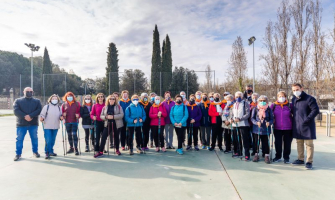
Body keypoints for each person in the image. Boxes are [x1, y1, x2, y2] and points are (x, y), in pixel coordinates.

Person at [291, 83, 319, 169]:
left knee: (309, 144)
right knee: (299, 142)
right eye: (294, 90)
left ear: (302, 89)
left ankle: (309, 161)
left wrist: (307, 119)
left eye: (297, 89)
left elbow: (315, 110)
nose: (296, 92)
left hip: (308, 125)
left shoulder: (309, 99)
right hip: (297, 125)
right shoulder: (293, 99)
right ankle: (300, 159)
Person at [13, 87, 42, 161]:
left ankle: (35, 152)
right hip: (21, 124)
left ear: (32, 92)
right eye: (27, 91)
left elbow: (39, 110)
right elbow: (16, 110)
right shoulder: (18, 101)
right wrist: (25, 116)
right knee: (19, 139)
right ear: (23, 92)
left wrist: (30, 116)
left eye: (30, 91)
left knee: (34, 138)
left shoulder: (37, 101)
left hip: (33, 124)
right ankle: (18, 154)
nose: (29, 92)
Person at [270, 91, 293, 164]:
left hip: (288, 128)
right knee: (278, 143)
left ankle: (286, 157)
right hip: (277, 128)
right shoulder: (273, 105)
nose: (281, 98)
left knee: (287, 144)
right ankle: (278, 156)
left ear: (286, 97)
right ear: (277, 97)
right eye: (280, 96)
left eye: (283, 96)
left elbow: (295, 114)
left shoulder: (289, 105)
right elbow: (269, 114)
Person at [251, 95, 274, 164]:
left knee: (265, 143)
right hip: (257, 129)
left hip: (265, 129)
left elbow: (272, 119)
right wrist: (256, 122)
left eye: (264, 101)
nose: (262, 102)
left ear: (267, 101)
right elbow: (252, 118)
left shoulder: (269, 109)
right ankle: (256, 154)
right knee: (256, 142)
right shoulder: (255, 109)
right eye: (261, 101)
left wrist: (269, 123)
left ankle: (266, 155)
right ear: (258, 101)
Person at [40, 94, 63, 159]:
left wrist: (61, 117)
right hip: (47, 126)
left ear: (58, 100)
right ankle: (47, 152)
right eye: (53, 99)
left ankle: (51, 151)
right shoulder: (46, 107)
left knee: (53, 140)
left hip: (56, 126)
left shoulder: (59, 107)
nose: (54, 100)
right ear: (50, 100)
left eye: (56, 99)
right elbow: (42, 114)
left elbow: (60, 115)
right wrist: (42, 118)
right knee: (48, 139)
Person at [231, 91, 251, 161]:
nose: (238, 98)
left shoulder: (245, 103)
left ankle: (246, 154)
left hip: (243, 124)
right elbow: (232, 114)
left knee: (245, 140)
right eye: (237, 96)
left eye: (239, 96)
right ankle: (238, 152)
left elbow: (248, 114)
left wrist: (240, 119)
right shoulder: (234, 104)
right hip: (235, 125)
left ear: (242, 97)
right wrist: (232, 119)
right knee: (236, 139)